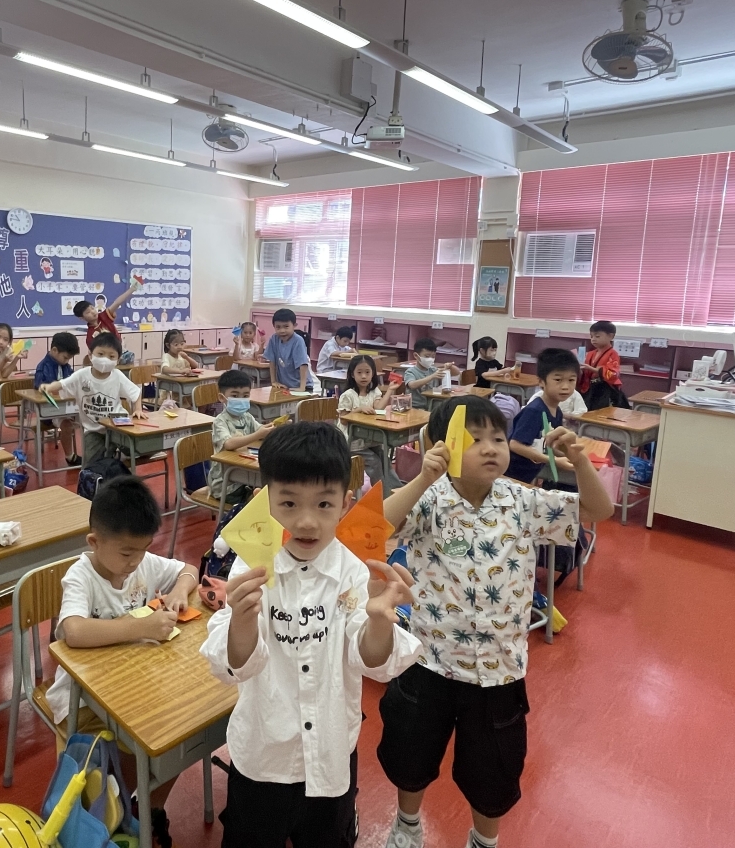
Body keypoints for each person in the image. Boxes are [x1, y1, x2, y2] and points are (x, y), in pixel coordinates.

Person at [378, 396, 614, 848]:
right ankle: (407, 825)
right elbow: (372, 528)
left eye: (498, 438)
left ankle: (484, 841)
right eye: (474, 439)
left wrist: (580, 461)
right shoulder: (429, 501)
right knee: (411, 753)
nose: (490, 448)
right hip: (429, 662)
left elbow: (598, 511)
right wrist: (424, 478)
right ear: (443, 445)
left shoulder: (522, 500)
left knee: (494, 770)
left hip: (500, 670)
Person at [201, 422, 421, 848]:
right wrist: (242, 619)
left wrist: (379, 620)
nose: (306, 521)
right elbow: (236, 667)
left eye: (323, 504)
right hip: (263, 757)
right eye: (288, 503)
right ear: (265, 502)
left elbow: (372, 661)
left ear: (345, 504)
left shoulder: (356, 570)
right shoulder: (253, 567)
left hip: (331, 755)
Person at [47, 475, 199, 848]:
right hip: (81, 699)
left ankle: (147, 810)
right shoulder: (81, 576)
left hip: (134, 686)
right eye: (127, 553)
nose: (135, 562)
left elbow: (187, 569)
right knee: (142, 749)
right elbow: (73, 631)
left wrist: (180, 592)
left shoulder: (141, 563)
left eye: (143, 551)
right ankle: (118, 813)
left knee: (179, 737)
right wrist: (137, 627)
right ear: (94, 543)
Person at [39, 331, 143, 465]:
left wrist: (138, 409)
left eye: (111, 356)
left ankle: (118, 455)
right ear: (90, 354)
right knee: (90, 464)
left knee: (137, 450)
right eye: (101, 354)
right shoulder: (82, 375)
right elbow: (62, 384)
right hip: (93, 430)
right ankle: (110, 457)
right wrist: (48, 387)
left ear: (118, 360)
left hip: (118, 426)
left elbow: (136, 393)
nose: (105, 359)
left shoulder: (117, 375)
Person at [506, 348, 579, 485]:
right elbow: (515, 445)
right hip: (510, 476)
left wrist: (571, 457)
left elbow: (551, 444)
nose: (566, 386)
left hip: (527, 475)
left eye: (571, 380)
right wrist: (554, 460)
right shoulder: (535, 411)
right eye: (558, 380)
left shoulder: (557, 412)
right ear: (541, 382)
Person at [209, 370, 273, 504]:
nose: (241, 399)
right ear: (222, 398)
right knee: (261, 501)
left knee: (269, 493)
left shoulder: (247, 417)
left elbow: (261, 430)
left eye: (245, 395)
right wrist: (258, 434)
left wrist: (276, 428)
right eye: (235, 395)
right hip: (226, 486)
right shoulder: (220, 421)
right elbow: (228, 444)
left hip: (244, 477)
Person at [338, 354, 400, 485]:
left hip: (369, 440)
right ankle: (382, 493)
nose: (364, 376)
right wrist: (359, 409)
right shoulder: (348, 395)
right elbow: (343, 419)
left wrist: (390, 390)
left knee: (384, 459)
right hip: (352, 442)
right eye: (359, 372)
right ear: (352, 374)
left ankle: (396, 490)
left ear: (373, 374)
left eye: (367, 372)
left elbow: (379, 407)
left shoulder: (373, 392)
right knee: (374, 462)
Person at [33, 331, 82, 467]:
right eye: (66, 357)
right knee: (66, 425)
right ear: (54, 350)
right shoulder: (43, 366)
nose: (67, 361)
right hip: (49, 410)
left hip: (66, 407)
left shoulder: (66, 366)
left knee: (91, 418)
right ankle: (70, 457)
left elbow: (73, 381)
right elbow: (40, 387)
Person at [74, 279, 141, 351]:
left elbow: (117, 303)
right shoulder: (90, 336)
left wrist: (132, 289)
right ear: (82, 318)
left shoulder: (104, 316)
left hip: (120, 350)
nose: (93, 312)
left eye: (92, 308)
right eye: (88, 312)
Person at [579, 320, 626, 409]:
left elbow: (613, 374)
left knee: (601, 412)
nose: (593, 339)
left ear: (611, 336)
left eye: (597, 336)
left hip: (604, 390)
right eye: (591, 336)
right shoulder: (590, 354)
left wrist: (593, 369)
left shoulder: (613, 354)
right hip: (590, 388)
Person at [403, 338, 458, 409]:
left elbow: (456, 373)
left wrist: (450, 367)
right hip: (415, 407)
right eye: (427, 356)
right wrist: (432, 376)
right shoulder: (410, 371)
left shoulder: (433, 369)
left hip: (432, 405)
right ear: (416, 356)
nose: (430, 359)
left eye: (433, 356)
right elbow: (412, 385)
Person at [264, 308, 311, 391]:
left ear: (294, 325)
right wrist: (274, 381)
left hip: (301, 386)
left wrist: (302, 387)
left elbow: (303, 365)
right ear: (274, 326)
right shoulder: (273, 339)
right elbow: (272, 361)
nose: (282, 331)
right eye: (278, 327)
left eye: (286, 326)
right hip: (284, 386)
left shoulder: (298, 341)